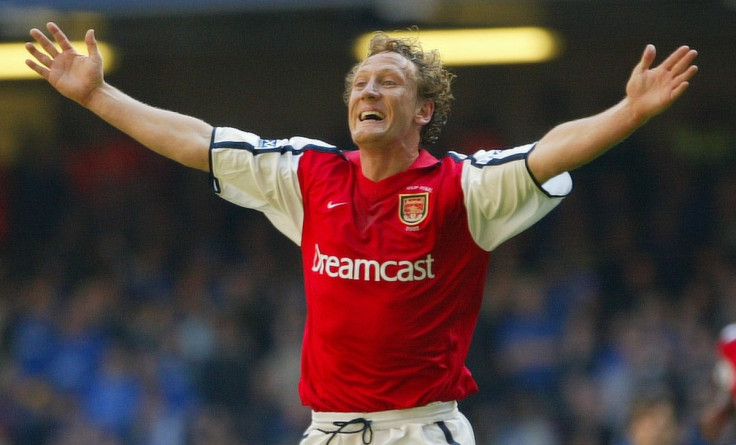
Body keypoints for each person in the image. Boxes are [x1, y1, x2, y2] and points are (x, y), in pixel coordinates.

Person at [25, 21, 698, 444]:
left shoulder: (462, 187)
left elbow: (549, 151)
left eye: (388, 82)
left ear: (423, 109)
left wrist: (628, 111)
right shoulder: (308, 175)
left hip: (423, 432)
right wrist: (97, 97)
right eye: (360, 82)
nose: (368, 90)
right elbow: (196, 141)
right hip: (328, 433)